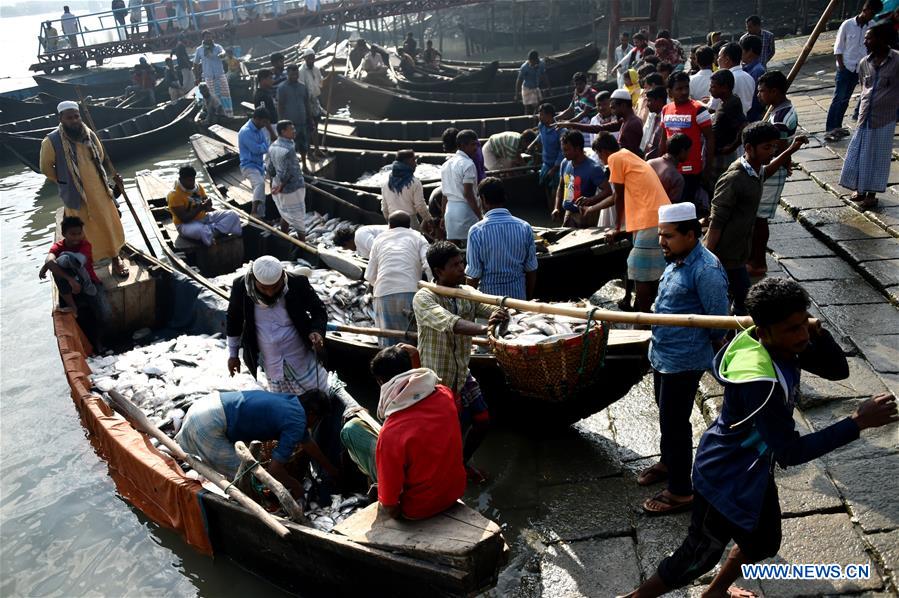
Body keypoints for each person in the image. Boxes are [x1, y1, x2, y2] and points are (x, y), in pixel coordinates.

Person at [621, 277, 898, 598]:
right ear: (764, 332)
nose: (802, 335)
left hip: (753, 470)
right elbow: (790, 452)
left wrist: (820, 335)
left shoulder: (782, 340)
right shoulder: (760, 384)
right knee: (697, 557)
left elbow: (838, 371)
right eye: (793, 329)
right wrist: (857, 422)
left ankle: (716, 593)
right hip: (724, 475)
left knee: (764, 542)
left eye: (803, 325)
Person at [637, 202, 729, 516]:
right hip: (662, 354)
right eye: (661, 235)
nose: (661, 241)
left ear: (691, 235)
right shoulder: (677, 258)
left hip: (684, 360)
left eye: (668, 236)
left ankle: (680, 491)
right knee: (665, 414)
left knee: (675, 424)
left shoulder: (706, 270)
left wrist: (726, 366)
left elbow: (719, 322)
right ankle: (668, 461)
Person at [413, 242, 508, 477]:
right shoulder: (424, 297)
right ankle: (445, 472)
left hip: (462, 373)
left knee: (483, 420)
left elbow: (489, 307)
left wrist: (500, 314)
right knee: (447, 432)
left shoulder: (465, 293)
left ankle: (461, 463)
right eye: (455, 265)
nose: (462, 268)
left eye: (461, 262)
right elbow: (450, 323)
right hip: (436, 380)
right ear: (438, 271)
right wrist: (485, 330)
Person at [705, 122, 808, 315]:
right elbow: (716, 220)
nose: (771, 151)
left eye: (773, 147)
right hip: (724, 255)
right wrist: (706, 257)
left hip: (739, 252)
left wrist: (792, 149)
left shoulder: (755, 169)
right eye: (766, 147)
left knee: (742, 301)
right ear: (748, 148)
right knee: (730, 302)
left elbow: (767, 172)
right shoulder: (734, 178)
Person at [175, 389, 337, 498]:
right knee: (245, 477)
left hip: (206, 405)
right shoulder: (296, 421)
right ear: (312, 414)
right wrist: (296, 486)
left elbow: (309, 444)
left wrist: (332, 470)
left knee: (247, 470)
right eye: (318, 419)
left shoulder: (293, 405)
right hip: (209, 423)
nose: (315, 423)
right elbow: (274, 469)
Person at [372, 344, 466, 519]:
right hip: (455, 492)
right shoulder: (446, 395)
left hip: (418, 509)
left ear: (380, 382)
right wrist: (416, 359)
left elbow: (389, 505)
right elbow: (420, 388)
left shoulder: (391, 432)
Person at [39, 102, 128, 276]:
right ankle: (89, 264)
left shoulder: (89, 134)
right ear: (61, 119)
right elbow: (46, 168)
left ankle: (115, 259)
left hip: (99, 191)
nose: (73, 120)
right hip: (74, 194)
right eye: (69, 117)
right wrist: (64, 180)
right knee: (82, 231)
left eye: (76, 116)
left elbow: (100, 156)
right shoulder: (51, 141)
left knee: (108, 225)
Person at [586, 133, 671, 314]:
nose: (601, 160)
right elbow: (619, 196)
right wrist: (592, 206)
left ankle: (644, 317)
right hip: (658, 216)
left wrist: (616, 228)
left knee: (638, 268)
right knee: (653, 269)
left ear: (603, 151)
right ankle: (644, 307)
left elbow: (617, 196)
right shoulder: (627, 155)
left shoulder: (615, 158)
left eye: (599, 155)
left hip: (650, 218)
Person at [227, 256, 328, 392]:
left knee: (320, 396)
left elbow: (318, 310)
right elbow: (234, 320)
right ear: (254, 280)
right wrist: (233, 355)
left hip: (301, 357)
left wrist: (317, 331)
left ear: (282, 277)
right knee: (285, 404)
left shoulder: (297, 283)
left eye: (275, 287)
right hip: (272, 362)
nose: (270, 293)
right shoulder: (240, 287)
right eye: (263, 288)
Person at [839, 24, 899, 210]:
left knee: (877, 157)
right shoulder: (865, 62)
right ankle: (860, 189)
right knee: (858, 153)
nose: (865, 41)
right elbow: (864, 87)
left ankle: (871, 195)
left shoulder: (897, 60)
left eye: (869, 38)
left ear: (882, 40)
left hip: (885, 117)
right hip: (865, 116)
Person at [750, 71, 798, 276]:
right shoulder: (777, 109)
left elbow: (776, 147)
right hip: (771, 168)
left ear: (774, 91)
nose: (759, 95)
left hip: (771, 170)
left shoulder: (781, 117)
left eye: (762, 91)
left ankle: (759, 261)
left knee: (760, 218)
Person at [39, 215, 110, 348]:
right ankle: (73, 307)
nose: (77, 237)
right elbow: (49, 260)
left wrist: (48, 265)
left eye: (79, 233)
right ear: (64, 234)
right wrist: (70, 279)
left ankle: (100, 340)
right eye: (72, 234)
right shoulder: (58, 246)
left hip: (90, 281)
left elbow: (76, 262)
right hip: (71, 284)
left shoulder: (85, 245)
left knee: (105, 315)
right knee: (56, 269)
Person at [365, 212, 431, 346]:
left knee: (388, 342)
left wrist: (379, 287)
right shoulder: (418, 237)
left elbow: (370, 275)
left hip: (383, 294)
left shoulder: (379, 239)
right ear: (409, 225)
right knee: (412, 341)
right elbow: (428, 265)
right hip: (411, 293)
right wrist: (432, 288)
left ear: (389, 225)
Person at [465, 177, 538, 300]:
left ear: (482, 199)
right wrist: (528, 299)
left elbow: (473, 276)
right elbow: (531, 270)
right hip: (519, 300)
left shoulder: (476, 231)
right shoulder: (524, 227)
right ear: (504, 197)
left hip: (488, 303)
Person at [825, 1, 882, 141]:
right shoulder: (847, 24)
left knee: (845, 99)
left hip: (861, 69)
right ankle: (830, 128)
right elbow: (838, 47)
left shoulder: (872, 27)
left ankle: (837, 127)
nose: (872, 16)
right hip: (846, 67)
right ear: (866, 9)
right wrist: (841, 66)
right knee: (838, 98)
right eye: (872, 13)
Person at [659, 72, 715, 210]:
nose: (684, 92)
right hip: (670, 169)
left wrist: (707, 169)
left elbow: (710, 139)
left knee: (687, 210)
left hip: (691, 171)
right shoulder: (666, 109)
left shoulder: (699, 110)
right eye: (679, 89)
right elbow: (663, 138)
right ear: (670, 91)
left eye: (686, 87)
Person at [167, 165, 241, 247]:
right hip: (185, 225)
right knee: (201, 230)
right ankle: (215, 230)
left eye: (193, 179)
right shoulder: (174, 195)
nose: (191, 183)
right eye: (189, 180)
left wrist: (208, 205)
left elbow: (206, 207)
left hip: (204, 218)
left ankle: (211, 231)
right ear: (181, 179)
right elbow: (184, 219)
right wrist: (201, 207)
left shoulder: (198, 187)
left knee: (233, 214)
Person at [552, 130, 610, 228]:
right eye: (563, 150)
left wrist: (590, 200)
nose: (564, 153)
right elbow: (561, 187)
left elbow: (608, 191)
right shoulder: (565, 163)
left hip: (584, 217)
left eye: (567, 150)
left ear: (577, 149)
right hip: (568, 214)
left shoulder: (593, 168)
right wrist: (556, 208)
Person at [560, 88, 643, 155]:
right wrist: (571, 124)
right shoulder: (624, 120)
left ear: (623, 106)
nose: (612, 111)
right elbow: (598, 128)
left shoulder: (633, 124)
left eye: (614, 108)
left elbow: (630, 155)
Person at [266, 120, 307, 238]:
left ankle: (284, 235)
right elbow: (290, 172)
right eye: (291, 129)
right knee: (298, 217)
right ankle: (302, 243)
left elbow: (270, 168)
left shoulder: (273, 145)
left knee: (285, 213)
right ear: (283, 132)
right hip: (292, 189)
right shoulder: (289, 149)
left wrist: (275, 185)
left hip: (278, 185)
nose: (294, 131)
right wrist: (282, 186)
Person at [440, 129, 481, 246]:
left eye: (476, 144)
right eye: (473, 144)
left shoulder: (446, 165)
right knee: (472, 248)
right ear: (463, 145)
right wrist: (480, 216)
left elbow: (444, 195)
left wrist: (443, 217)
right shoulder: (468, 164)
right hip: (466, 212)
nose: (476, 148)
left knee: (452, 249)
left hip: (450, 212)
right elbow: (468, 194)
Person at [708, 69, 747, 188]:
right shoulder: (724, 102)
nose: (710, 90)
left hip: (723, 156)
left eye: (713, 87)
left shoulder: (732, 103)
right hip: (719, 153)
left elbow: (743, 126)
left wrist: (732, 146)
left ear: (724, 87)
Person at [380, 150, 432, 232]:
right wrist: (430, 220)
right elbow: (420, 206)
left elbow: (384, 209)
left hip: (392, 224)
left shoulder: (386, 184)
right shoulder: (415, 183)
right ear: (406, 162)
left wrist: (390, 222)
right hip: (410, 223)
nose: (416, 164)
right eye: (413, 160)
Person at [238, 107, 272, 218]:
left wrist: (263, 146)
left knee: (260, 192)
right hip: (248, 165)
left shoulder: (259, 129)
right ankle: (253, 212)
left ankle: (261, 217)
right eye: (264, 122)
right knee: (260, 184)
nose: (265, 124)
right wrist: (264, 146)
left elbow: (264, 145)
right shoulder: (245, 132)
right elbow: (257, 149)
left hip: (259, 165)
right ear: (257, 118)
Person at [277, 64, 313, 167]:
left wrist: (310, 119)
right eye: (292, 73)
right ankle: (292, 168)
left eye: (296, 73)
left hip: (302, 121)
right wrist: (281, 122)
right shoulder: (282, 88)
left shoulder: (302, 87)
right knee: (290, 148)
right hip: (290, 124)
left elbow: (307, 104)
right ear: (287, 73)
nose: (295, 75)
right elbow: (280, 106)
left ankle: (305, 166)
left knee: (304, 146)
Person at [194, 31, 233, 116]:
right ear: (203, 38)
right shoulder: (199, 50)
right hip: (208, 77)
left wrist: (222, 55)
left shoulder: (218, 47)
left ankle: (228, 115)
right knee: (212, 98)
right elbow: (195, 64)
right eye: (207, 37)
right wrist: (196, 78)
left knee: (225, 96)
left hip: (220, 76)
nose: (209, 38)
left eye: (210, 37)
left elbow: (223, 53)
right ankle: (215, 116)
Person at [648, 134, 691, 203]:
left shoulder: (649, 163)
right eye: (689, 151)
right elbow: (670, 207)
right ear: (682, 151)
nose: (689, 154)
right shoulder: (677, 178)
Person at [536, 103, 565, 207]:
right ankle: (550, 208)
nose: (540, 117)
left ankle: (556, 210)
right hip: (546, 163)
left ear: (549, 116)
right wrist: (532, 144)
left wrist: (554, 168)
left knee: (556, 188)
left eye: (542, 114)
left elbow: (562, 152)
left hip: (558, 166)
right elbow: (540, 136)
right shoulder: (541, 126)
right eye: (539, 114)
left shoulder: (560, 130)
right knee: (545, 186)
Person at [717, 42, 755, 118]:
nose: (717, 60)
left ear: (727, 60)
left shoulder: (725, 78)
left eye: (719, 57)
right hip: (744, 119)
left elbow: (714, 106)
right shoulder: (749, 77)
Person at [299, 49, 323, 152]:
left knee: (315, 127)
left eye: (313, 58)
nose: (311, 60)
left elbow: (321, 83)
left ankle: (317, 149)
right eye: (309, 58)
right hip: (306, 102)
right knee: (308, 127)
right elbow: (302, 90)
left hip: (315, 100)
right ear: (305, 59)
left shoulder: (316, 69)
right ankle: (309, 152)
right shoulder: (301, 71)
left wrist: (331, 76)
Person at [740, 34, 766, 120]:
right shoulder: (747, 68)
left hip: (753, 116)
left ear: (750, 51)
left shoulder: (758, 71)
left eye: (742, 50)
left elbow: (755, 98)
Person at [515, 50, 549, 114]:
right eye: (530, 61)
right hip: (526, 88)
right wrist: (516, 95)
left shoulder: (541, 64)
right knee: (527, 107)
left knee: (537, 106)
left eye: (533, 61)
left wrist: (549, 88)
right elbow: (519, 81)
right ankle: (527, 120)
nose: (531, 62)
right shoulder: (524, 67)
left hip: (536, 87)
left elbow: (545, 76)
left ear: (536, 60)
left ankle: (535, 119)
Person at [640, 86, 668, 160]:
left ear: (659, 100)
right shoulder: (654, 116)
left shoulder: (667, 117)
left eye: (649, 101)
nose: (647, 104)